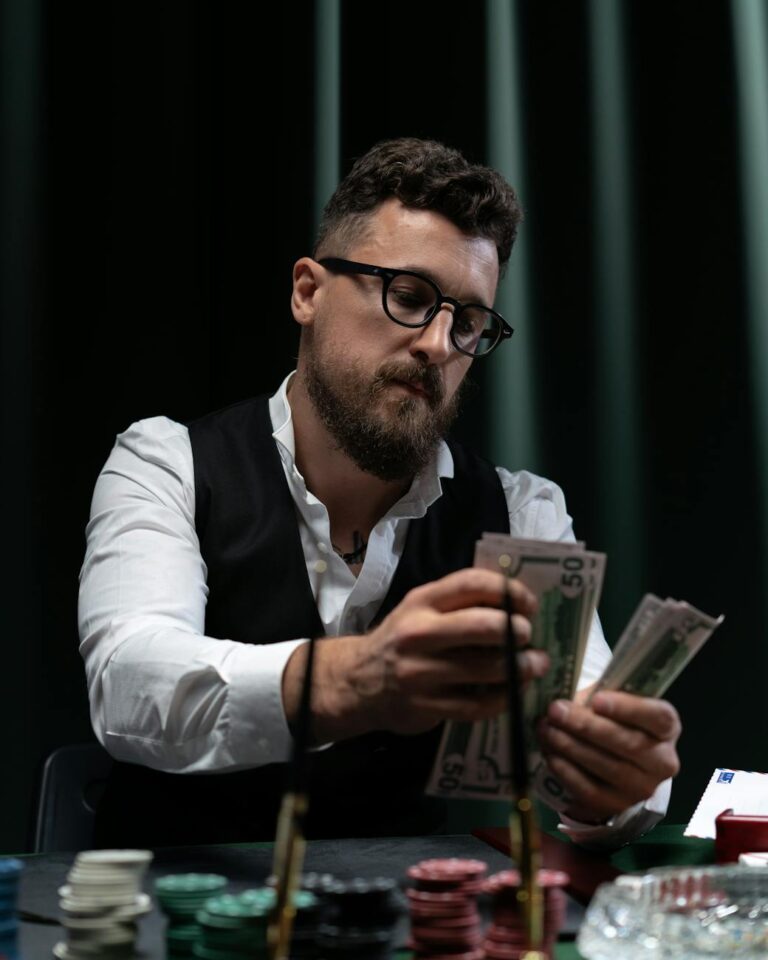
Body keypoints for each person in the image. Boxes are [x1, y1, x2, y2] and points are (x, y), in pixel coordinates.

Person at [79, 138, 680, 848]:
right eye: (410, 297)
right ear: (308, 291)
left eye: (467, 321)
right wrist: (357, 680)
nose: (437, 345)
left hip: (411, 927)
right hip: (179, 923)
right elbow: (129, 683)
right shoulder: (164, 462)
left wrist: (617, 786)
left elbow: (592, 745)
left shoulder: (522, 513)